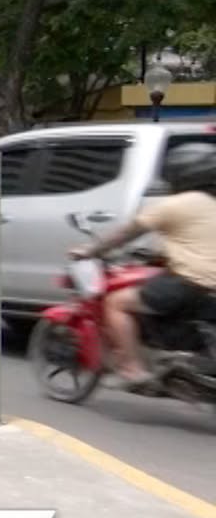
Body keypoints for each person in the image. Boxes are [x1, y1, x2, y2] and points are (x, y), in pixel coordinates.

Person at [70, 141, 216, 392]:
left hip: (192, 282)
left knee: (117, 302)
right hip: (207, 288)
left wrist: (91, 250)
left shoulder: (178, 204)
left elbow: (127, 233)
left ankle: (132, 369)